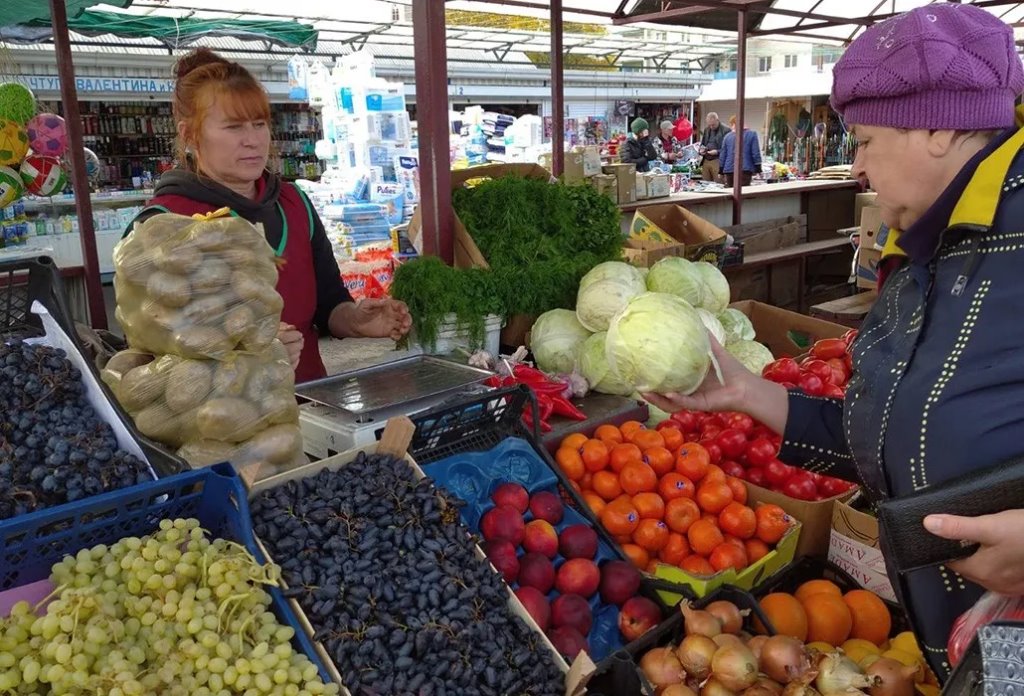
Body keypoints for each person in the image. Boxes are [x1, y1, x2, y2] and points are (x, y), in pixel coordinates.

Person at [646, 2, 1024, 681]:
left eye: (867, 141)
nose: (858, 168)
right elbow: (890, 432)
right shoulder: (930, 249)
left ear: (938, 127)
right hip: (975, 649)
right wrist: (746, 392)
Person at [129, 48, 411, 384]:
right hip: (222, 414)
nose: (252, 140)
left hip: (312, 402)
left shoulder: (294, 204)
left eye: (259, 124)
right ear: (190, 134)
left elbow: (329, 304)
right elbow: (149, 353)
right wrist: (244, 353)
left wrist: (355, 320)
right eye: (233, 127)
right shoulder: (162, 223)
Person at [718, 115, 762, 187]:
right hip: (745, 169)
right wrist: (758, 168)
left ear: (733, 124)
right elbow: (755, 152)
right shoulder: (752, 134)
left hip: (729, 170)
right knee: (743, 191)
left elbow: (723, 155)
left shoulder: (727, 137)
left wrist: (721, 170)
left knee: (730, 191)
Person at [698, 112, 729, 182]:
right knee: (705, 182)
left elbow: (728, 148)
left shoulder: (726, 130)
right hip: (706, 159)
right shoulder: (707, 129)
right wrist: (701, 150)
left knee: (719, 182)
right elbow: (703, 143)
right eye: (709, 125)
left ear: (717, 120)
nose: (711, 127)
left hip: (718, 160)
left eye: (713, 125)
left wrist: (717, 151)